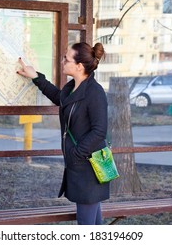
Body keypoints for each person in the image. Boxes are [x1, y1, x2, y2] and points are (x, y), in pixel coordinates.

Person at [17, 42, 109, 225]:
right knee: (93, 224)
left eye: (66, 59)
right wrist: (35, 76)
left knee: (86, 224)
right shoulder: (72, 87)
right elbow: (58, 97)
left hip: (90, 168)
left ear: (79, 66)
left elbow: (99, 131)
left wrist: (75, 154)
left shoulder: (95, 92)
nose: (62, 61)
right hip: (81, 166)